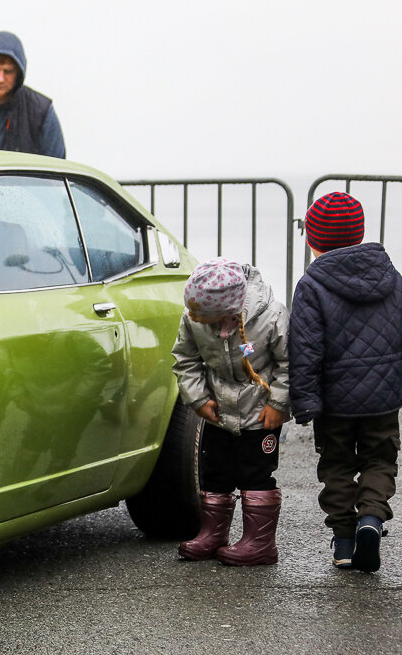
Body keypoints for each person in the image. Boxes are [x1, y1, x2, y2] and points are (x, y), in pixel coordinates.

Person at [288, 192, 401, 573]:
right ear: (360, 232)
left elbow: (304, 348)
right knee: (380, 459)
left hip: (335, 401)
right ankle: (371, 517)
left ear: (312, 240)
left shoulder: (312, 284)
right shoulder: (391, 276)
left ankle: (344, 541)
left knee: (336, 465)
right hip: (384, 398)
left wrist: (304, 402)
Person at [171, 257, 290, 565]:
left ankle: (260, 542)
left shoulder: (271, 316)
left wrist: (278, 404)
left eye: (201, 313)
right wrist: (198, 399)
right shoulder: (194, 317)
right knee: (215, 470)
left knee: (256, 472)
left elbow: (290, 363)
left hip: (260, 413)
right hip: (219, 412)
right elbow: (185, 359)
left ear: (225, 309)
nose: (194, 317)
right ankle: (212, 534)